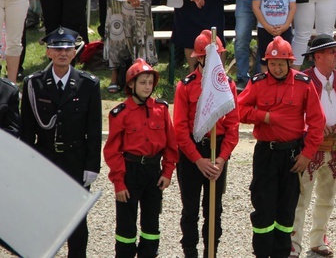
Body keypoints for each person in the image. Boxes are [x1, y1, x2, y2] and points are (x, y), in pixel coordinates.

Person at [237, 36, 325, 258]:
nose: (276, 68)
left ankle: (282, 253)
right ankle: (262, 253)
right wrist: (265, 116)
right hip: (266, 153)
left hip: (293, 155)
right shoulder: (257, 83)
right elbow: (238, 111)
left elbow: (317, 122)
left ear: (289, 63)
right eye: (272, 63)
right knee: (263, 207)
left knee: (287, 210)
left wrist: (307, 155)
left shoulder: (304, 84)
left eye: (281, 63)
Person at [20, 27, 102, 258]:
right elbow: (27, 130)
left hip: (75, 157)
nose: (62, 53)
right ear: (48, 53)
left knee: (76, 220)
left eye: (67, 48)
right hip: (45, 158)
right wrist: (26, 165)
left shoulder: (89, 85)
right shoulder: (33, 84)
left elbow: (94, 129)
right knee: (44, 217)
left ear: (74, 53)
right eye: (57, 48)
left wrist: (92, 165)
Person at [290, 35, 336, 257]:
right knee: (300, 198)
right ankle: (294, 243)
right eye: (332, 51)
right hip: (309, 149)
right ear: (318, 57)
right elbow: (293, 114)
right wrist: (312, 126)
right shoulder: (302, 81)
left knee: (327, 197)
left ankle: (318, 239)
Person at [173, 30, 239, 258]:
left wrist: (221, 160)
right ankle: (190, 251)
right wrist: (198, 160)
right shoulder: (185, 86)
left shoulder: (227, 86)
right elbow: (180, 130)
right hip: (193, 154)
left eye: (218, 56)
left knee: (214, 209)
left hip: (217, 153)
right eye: (210, 56)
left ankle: (212, 251)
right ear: (199, 58)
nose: (215, 61)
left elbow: (233, 127)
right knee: (190, 209)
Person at [103, 59, 178, 256]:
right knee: (126, 230)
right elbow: (112, 151)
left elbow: (171, 145)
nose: (147, 86)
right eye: (143, 82)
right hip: (130, 172)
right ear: (131, 84)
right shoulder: (120, 113)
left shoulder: (161, 110)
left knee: (151, 228)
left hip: (154, 172)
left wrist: (168, 171)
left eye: (150, 82)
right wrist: (119, 182)